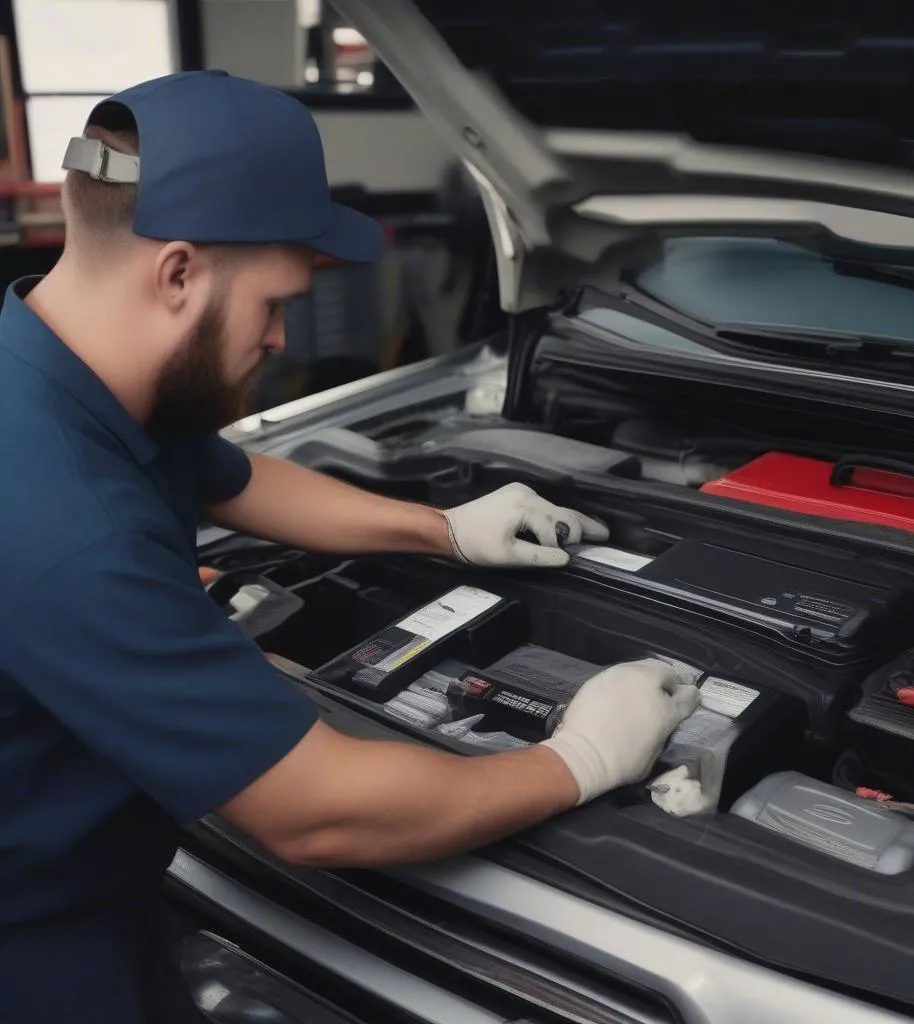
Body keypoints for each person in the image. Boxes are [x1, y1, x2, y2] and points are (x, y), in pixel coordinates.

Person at [0, 71, 694, 1024]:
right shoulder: (68, 527)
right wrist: (580, 757)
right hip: (40, 949)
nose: (283, 337)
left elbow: (234, 478)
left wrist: (446, 528)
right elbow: (313, 810)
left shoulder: (49, 358)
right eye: (274, 304)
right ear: (177, 273)